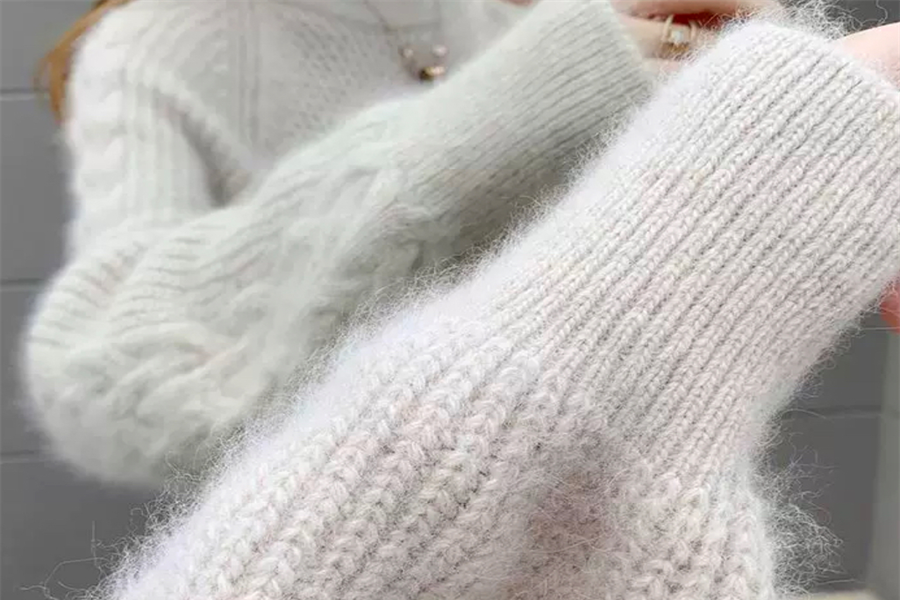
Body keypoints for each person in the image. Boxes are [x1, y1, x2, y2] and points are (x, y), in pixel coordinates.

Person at [2, 5, 898, 600]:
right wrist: (530, 98)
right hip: (300, 572)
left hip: (569, 554)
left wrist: (768, 141)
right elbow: (112, 369)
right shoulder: (161, 47)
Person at [22, 0, 768, 488]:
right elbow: (105, 372)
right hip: (334, 574)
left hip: (600, 528)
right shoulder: (151, 49)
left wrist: (750, 73)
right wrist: (457, 141)